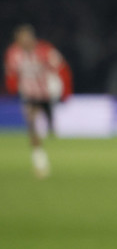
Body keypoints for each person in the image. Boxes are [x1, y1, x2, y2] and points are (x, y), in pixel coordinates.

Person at [4, 24, 72, 179]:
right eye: (20, 39)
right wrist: (12, 87)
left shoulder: (45, 51)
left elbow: (62, 67)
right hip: (29, 96)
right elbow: (11, 73)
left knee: (50, 127)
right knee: (32, 124)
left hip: (47, 94)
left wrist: (65, 91)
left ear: (32, 38)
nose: (23, 42)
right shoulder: (13, 54)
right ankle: (40, 161)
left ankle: (52, 134)